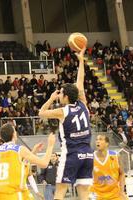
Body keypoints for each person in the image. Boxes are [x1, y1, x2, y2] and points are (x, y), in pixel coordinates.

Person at [39, 48, 93, 200]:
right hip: (88, 154)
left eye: (61, 93)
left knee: (60, 193)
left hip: (71, 155)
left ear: (66, 96)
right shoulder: (83, 104)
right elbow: (80, 80)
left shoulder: (63, 111)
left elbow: (41, 113)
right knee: (84, 194)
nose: (59, 95)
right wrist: (81, 61)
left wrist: (50, 99)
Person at [0, 123, 56, 200]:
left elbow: (21, 163)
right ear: (13, 134)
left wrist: (33, 151)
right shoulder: (19, 149)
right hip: (13, 194)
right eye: (15, 131)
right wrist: (50, 145)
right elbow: (44, 163)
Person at [90, 135, 128, 200]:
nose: (98, 141)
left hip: (115, 194)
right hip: (97, 195)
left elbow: (122, 174)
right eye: (96, 140)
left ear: (107, 143)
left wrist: (122, 192)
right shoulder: (91, 158)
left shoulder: (116, 155)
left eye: (100, 139)